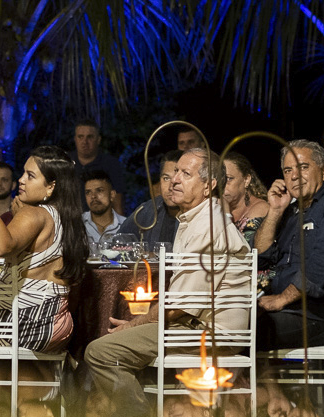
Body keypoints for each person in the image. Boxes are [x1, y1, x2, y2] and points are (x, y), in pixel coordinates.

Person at [84, 148, 251, 400]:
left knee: (100, 351)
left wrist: (133, 324)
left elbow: (178, 306)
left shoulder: (207, 227)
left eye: (185, 174)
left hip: (209, 331)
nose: (174, 180)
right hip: (195, 324)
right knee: (114, 342)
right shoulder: (195, 220)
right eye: (174, 173)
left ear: (209, 186)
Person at [0, 145, 87, 352]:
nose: (21, 180)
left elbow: (2, 247)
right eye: (23, 173)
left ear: (51, 187)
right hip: (58, 320)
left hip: (28, 320)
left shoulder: (35, 214)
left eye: (30, 176)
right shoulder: (68, 219)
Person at [255, 140, 324, 350]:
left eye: (303, 167)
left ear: (323, 171)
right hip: (284, 311)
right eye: (288, 170)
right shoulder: (290, 210)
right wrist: (275, 211)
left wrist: (281, 299)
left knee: (244, 331)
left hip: (317, 317)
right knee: (226, 324)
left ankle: (254, 383)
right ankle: (264, 383)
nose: (294, 176)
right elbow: (261, 256)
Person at [118, 150, 181, 247]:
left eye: (177, 180)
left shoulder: (201, 213)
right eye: (166, 178)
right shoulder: (148, 210)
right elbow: (117, 241)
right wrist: (140, 254)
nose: (170, 187)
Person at [69, 118, 125, 211]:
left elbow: (117, 200)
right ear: (75, 139)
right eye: (80, 137)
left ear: (98, 140)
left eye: (90, 137)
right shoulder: (66, 162)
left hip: (100, 221)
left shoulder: (110, 164)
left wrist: (120, 224)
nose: (85, 142)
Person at [221, 151, 270, 245]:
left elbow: (241, 252)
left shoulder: (260, 208)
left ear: (246, 180)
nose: (222, 184)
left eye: (228, 178)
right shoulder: (215, 206)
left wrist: (226, 214)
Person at [81, 171, 125, 247]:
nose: (93, 196)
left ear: (112, 195)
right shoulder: (76, 224)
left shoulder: (125, 225)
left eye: (99, 190)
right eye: (88, 192)